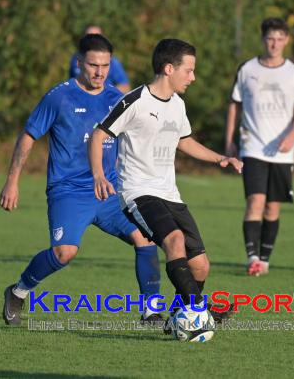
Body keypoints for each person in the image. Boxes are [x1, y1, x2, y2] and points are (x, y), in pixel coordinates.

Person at [0, 34, 161, 326]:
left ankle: (151, 311)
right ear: (79, 63)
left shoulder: (117, 99)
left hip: (110, 194)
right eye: (93, 65)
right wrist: (12, 182)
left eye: (105, 65)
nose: (99, 72)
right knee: (64, 253)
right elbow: (28, 137)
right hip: (69, 192)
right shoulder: (58, 97)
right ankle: (18, 291)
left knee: (147, 238)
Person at [89, 39, 243, 325]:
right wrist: (99, 174)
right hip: (138, 192)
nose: (193, 77)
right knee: (174, 241)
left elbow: (184, 141)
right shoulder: (135, 101)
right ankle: (199, 313)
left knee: (200, 266)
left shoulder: (178, 105)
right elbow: (99, 135)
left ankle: (178, 314)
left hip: (170, 193)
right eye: (189, 70)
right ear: (169, 68)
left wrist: (219, 158)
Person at [224, 17, 294, 276]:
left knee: (273, 206)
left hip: (282, 151)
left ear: (286, 41)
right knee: (255, 201)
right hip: (253, 146)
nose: (274, 43)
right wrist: (229, 140)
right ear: (263, 40)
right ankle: (252, 257)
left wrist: (291, 136)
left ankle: (265, 259)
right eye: (270, 38)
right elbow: (234, 105)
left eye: (279, 39)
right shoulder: (247, 69)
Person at [69, 24, 131, 93]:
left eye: (97, 37)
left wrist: (103, 97)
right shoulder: (75, 59)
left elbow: (125, 87)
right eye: (89, 37)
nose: (93, 41)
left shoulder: (113, 62)